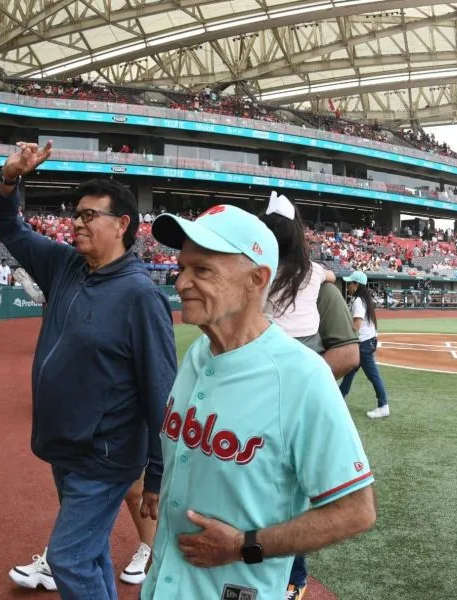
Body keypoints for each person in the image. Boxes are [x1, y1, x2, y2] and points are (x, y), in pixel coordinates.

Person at [141, 204, 376, 600]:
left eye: (202, 271)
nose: (181, 283)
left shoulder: (301, 376)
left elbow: (356, 511)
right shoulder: (200, 352)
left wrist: (243, 545)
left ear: (256, 279)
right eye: (181, 268)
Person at [0, 140, 177, 599]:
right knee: (92, 553)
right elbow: (11, 230)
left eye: (89, 215)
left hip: (107, 454)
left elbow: (162, 390)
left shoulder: (140, 295)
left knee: (69, 558)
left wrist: (156, 474)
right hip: (65, 445)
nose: (76, 223)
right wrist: (10, 180)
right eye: (75, 214)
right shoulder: (64, 265)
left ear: (122, 225)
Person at [260, 193, 358, 600]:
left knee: (285, 492)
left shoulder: (256, 272)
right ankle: (289, 579)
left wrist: (300, 384)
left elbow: (348, 354)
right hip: (277, 380)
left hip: (280, 392)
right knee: (276, 492)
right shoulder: (315, 273)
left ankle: (292, 578)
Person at [261, 192, 335, 354]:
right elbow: (332, 276)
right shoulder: (313, 269)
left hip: (269, 341)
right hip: (309, 344)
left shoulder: (259, 270)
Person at [338, 271, 390, 418]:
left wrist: (344, 336)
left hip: (364, 344)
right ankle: (339, 398)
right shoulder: (364, 299)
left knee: (373, 375)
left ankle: (383, 405)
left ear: (357, 284)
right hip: (368, 341)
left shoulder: (358, 301)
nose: (348, 286)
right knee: (350, 371)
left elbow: (357, 324)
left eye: (350, 283)